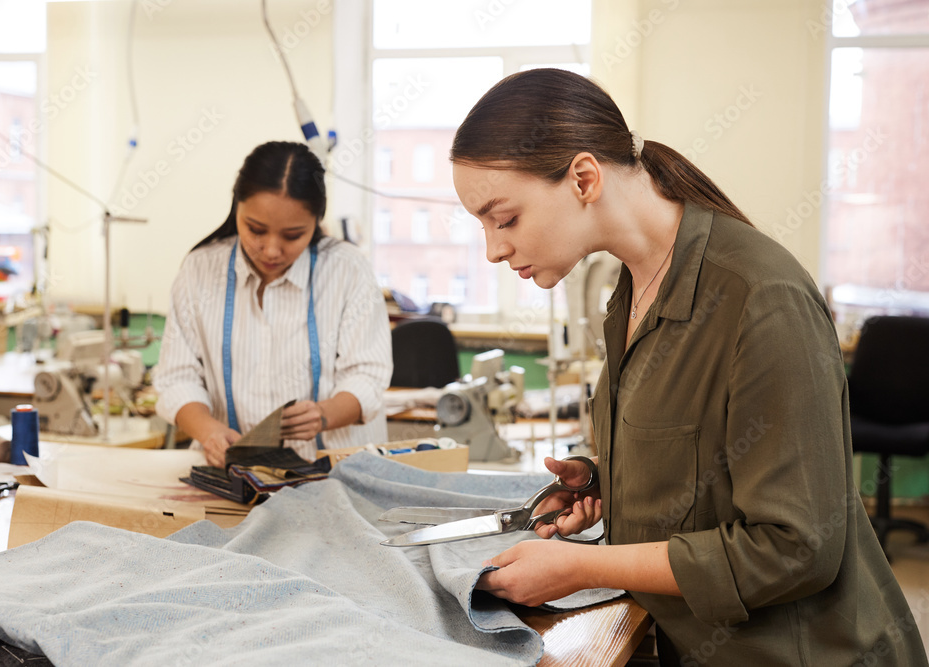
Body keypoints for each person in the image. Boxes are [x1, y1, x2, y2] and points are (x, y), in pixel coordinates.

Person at [451, 69, 927, 665]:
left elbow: (796, 549)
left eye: (504, 219)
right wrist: (608, 481)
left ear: (583, 178)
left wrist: (582, 567)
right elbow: (713, 462)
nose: (493, 250)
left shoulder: (761, 298)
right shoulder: (634, 291)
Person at [155, 141, 392, 465]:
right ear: (236, 208)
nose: (271, 250)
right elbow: (177, 378)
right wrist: (209, 432)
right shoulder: (200, 271)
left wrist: (324, 414)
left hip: (335, 473)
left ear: (317, 221)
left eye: (293, 235)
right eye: (255, 230)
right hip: (230, 473)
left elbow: (367, 376)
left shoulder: (348, 270)